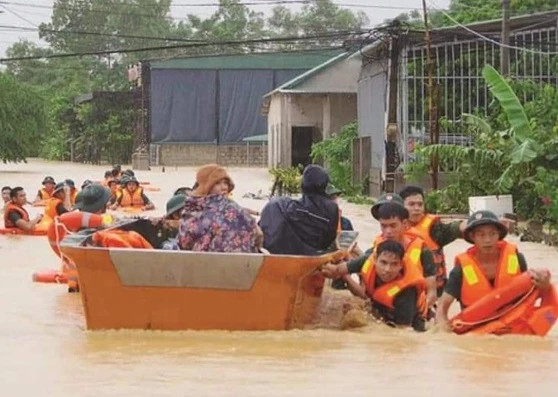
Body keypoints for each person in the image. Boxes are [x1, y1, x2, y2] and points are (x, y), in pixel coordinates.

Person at [435, 210, 551, 331]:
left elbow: (530, 294)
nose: (487, 240)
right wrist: (444, 334)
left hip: (514, 329)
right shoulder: (460, 270)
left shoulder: (516, 259)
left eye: (492, 233)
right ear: (472, 237)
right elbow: (442, 309)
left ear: (499, 235)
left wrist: (544, 285)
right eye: (481, 235)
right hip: (479, 334)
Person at [322, 202, 438, 310]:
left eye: (393, 226)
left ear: (405, 224)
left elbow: (432, 292)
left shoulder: (423, 251)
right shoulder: (375, 252)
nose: (388, 231)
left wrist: (420, 311)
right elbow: (336, 270)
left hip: (410, 311)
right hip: (381, 308)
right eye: (384, 226)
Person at [343, 240, 428, 331]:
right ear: (375, 260)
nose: (387, 269)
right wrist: (345, 275)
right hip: (382, 311)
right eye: (383, 263)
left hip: (408, 324)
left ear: (401, 265)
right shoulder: (366, 261)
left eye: (394, 264)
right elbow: (335, 270)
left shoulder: (406, 291)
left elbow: (403, 331)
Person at [178, 164, 261, 252]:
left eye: (225, 183)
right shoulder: (231, 207)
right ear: (206, 185)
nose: (224, 187)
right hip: (237, 262)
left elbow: (184, 242)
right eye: (217, 183)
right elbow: (258, 234)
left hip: (203, 262)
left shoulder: (190, 207)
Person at [399, 186, 465, 296]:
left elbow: (456, 228)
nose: (417, 208)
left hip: (435, 291)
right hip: (406, 291)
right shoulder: (393, 228)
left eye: (420, 204)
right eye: (411, 204)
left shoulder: (434, 228)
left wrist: (480, 224)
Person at [259, 164, 339, 256]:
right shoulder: (332, 208)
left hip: (278, 254)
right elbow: (328, 240)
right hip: (314, 255)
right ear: (325, 184)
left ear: (303, 185)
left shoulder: (279, 205)